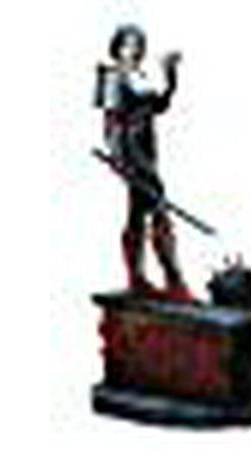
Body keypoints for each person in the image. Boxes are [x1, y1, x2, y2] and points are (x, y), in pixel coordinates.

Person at [94, 25, 193, 301]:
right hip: (132, 153)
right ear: (117, 48)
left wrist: (171, 76)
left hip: (147, 150)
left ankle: (139, 278)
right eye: (128, 44)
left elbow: (158, 106)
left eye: (138, 45)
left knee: (138, 214)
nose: (134, 50)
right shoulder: (114, 77)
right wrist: (118, 158)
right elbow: (111, 121)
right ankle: (172, 279)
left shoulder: (139, 77)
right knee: (157, 210)